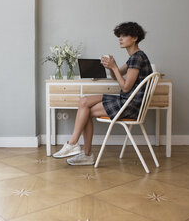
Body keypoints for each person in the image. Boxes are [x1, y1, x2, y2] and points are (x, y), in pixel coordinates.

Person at [52, 21, 153, 165]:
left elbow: (125, 87)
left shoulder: (137, 58)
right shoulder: (134, 58)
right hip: (126, 101)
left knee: (85, 108)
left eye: (124, 35)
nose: (120, 38)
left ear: (135, 38)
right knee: (84, 102)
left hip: (130, 105)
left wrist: (114, 67)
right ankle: (76, 146)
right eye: (119, 35)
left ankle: (78, 148)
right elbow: (115, 77)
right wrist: (112, 67)